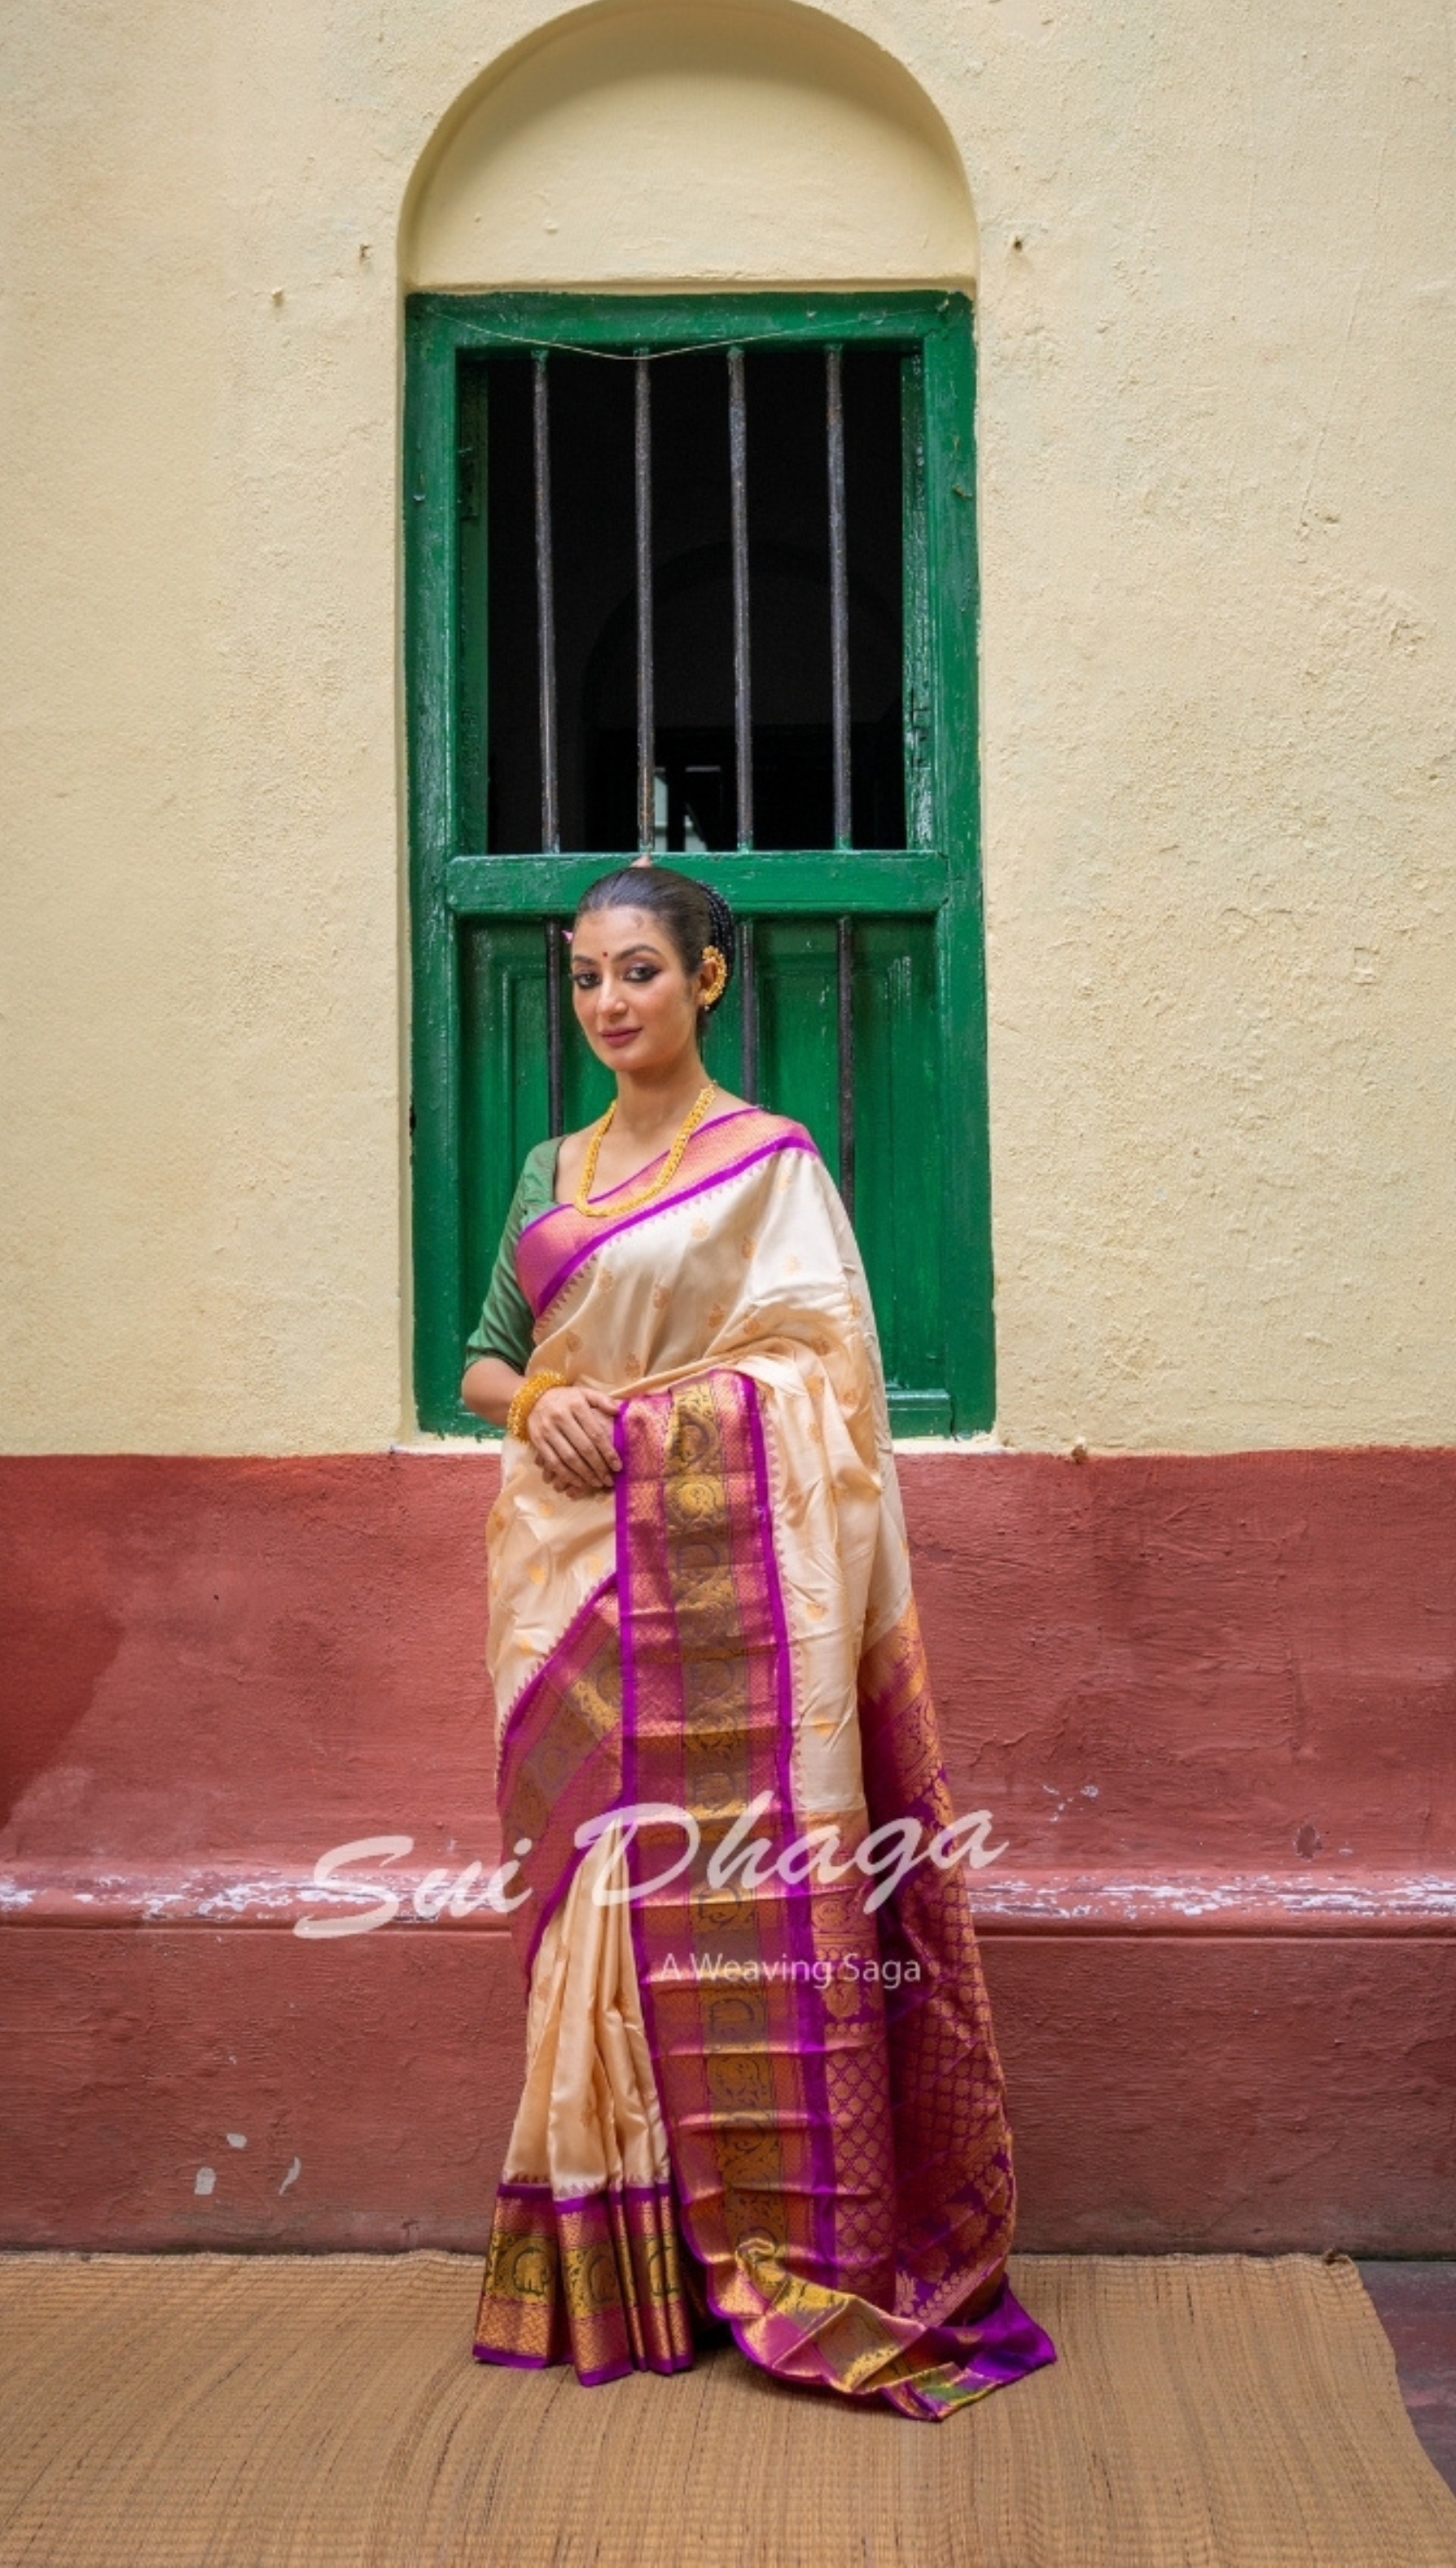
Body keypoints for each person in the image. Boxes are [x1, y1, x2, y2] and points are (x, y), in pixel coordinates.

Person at [460, 858, 1054, 2419]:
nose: (608, 1004)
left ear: (707, 982)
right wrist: (543, 1403)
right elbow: (481, 1369)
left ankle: (783, 2243)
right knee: (604, 1896)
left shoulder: (769, 1166)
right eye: (588, 976)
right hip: (571, 1572)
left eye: (640, 973)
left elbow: (821, 1382)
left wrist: (649, 1427)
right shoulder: (549, 1170)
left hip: (728, 1587)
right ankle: (630, 2260)